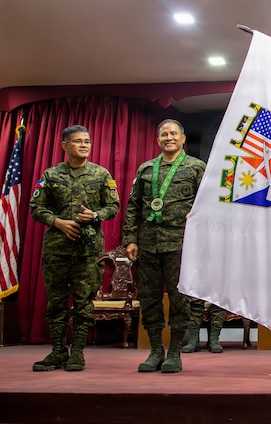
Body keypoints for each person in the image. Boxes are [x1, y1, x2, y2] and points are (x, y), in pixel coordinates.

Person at [29, 125, 120, 372]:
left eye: (87, 141)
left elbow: (113, 206)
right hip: (57, 251)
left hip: (87, 252)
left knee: (83, 303)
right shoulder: (50, 175)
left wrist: (95, 215)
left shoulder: (101, 175)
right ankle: (58, 351)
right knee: (56, 303)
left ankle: (77, 353)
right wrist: (57, 222)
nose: (84, 145)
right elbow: (36, 207)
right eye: (78, 141)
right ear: (65, 146)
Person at [122, 119, 206, 373]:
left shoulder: (196, 168)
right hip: (148, 244)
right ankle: (156, 351)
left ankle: (175, 354)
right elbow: (134, 206)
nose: (168, 138)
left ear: (183, 139)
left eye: (173, 134)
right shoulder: (146, 169)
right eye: (164, 134)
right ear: (158, 140)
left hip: (181, 244)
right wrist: (131, 238)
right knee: (149, 299)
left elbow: (210, 203)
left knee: (180, 300)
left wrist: (198, 214)